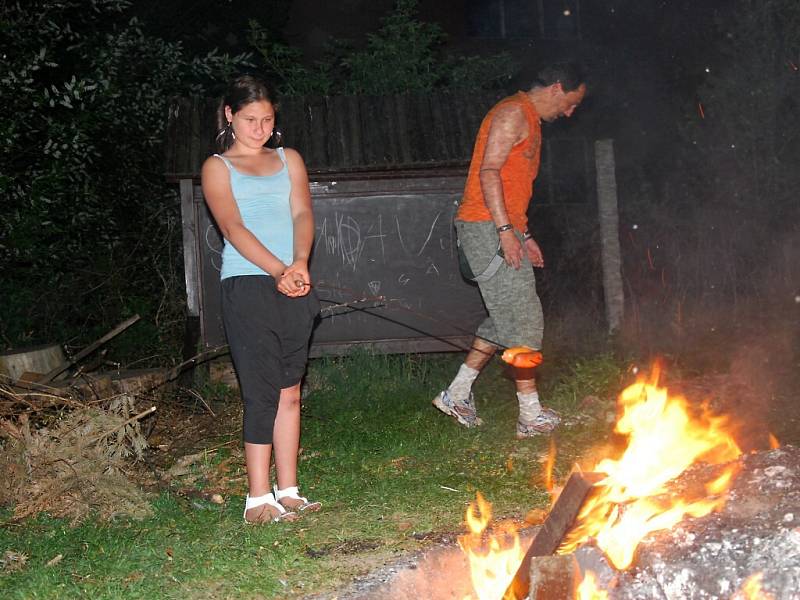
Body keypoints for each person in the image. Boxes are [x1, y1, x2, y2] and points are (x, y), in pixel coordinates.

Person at [433, 63, 587, 438]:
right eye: (570, 103)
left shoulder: (529, 119)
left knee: (504, 317)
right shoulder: (512, 113)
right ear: (555, 86)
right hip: (487, 227)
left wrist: (524, 232)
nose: (569, 113)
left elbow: (511, 186)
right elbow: (489, 173)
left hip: (501, 227)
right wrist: (504, 231)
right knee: (525, 320)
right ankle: (530, 416)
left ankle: (456, 393)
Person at [201, 75, 321, 523]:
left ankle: (287, 489)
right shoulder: (217, 167)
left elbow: (302, 211)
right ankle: (257, 498)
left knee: (290, 389)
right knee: (262, 391)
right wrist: (277, 269)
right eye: (250, 119)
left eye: (268, 119)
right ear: (230, 115)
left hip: (295, 279)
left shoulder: (289, 159)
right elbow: (232, 227)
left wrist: (301, 262)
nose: (260, 127)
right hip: (249, 284)